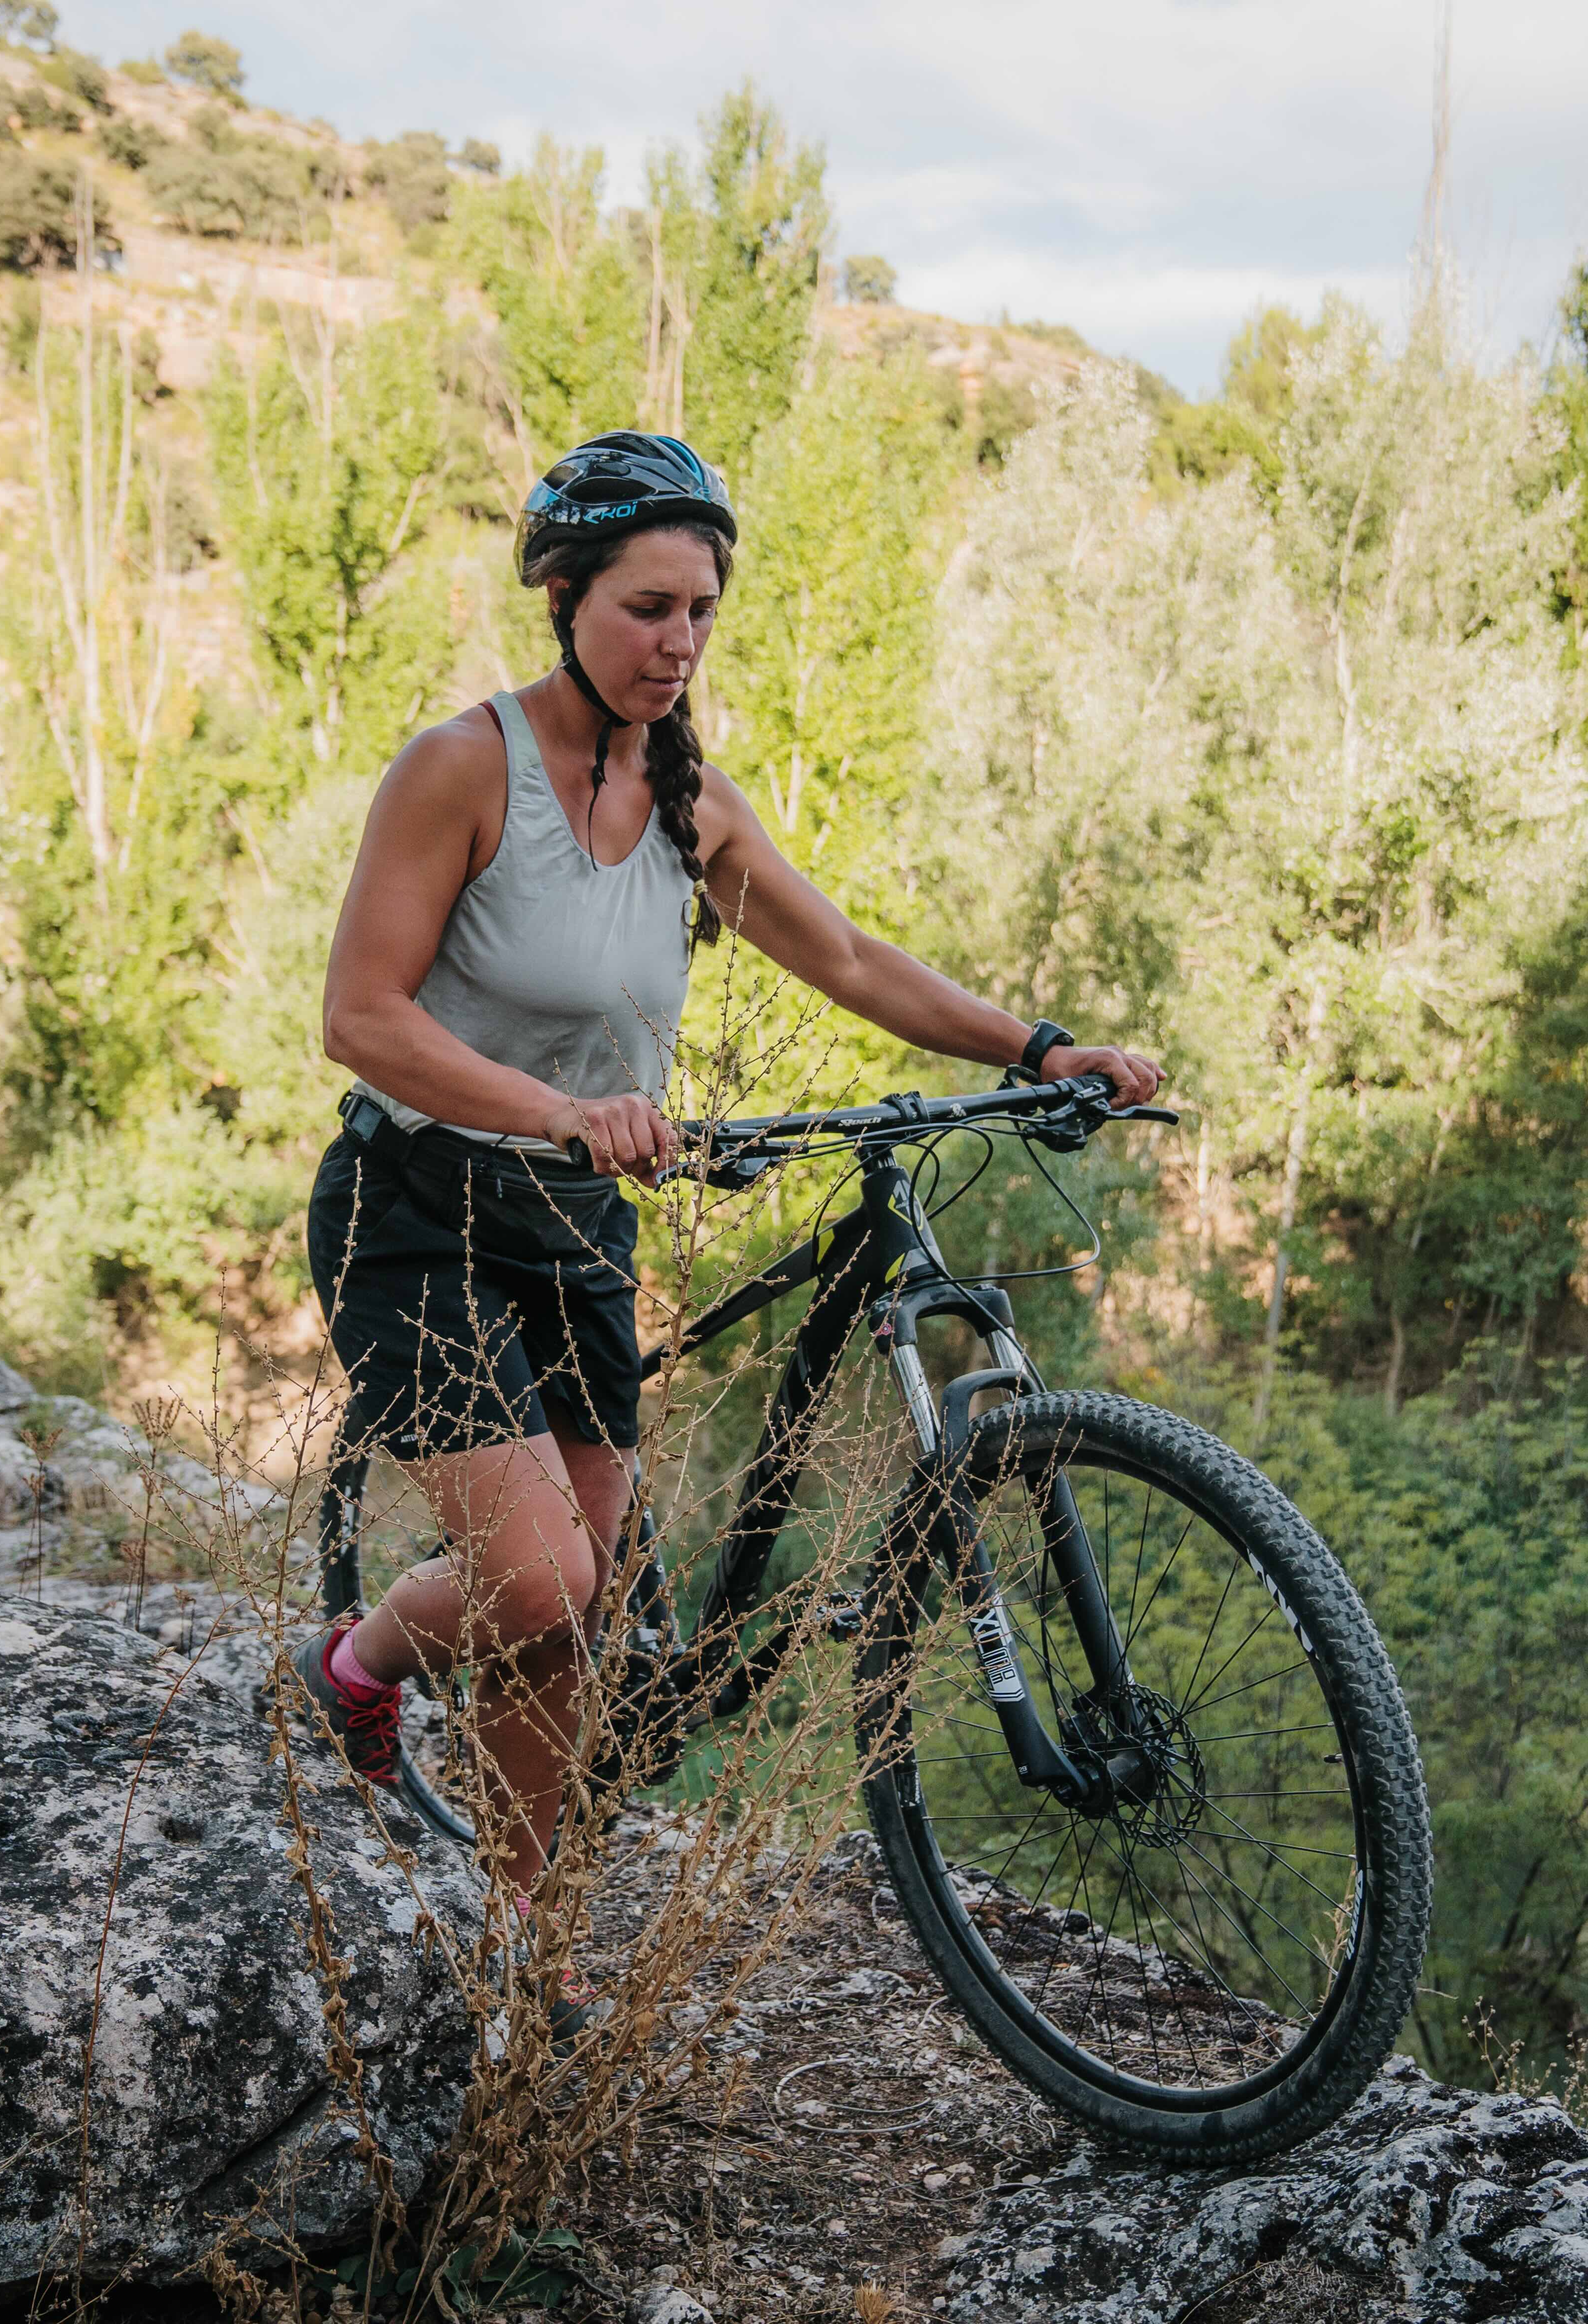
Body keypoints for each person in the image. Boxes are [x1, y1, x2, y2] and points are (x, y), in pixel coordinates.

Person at [293, 429, 1163, 1966]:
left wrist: (1040, 1046)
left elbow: (851, 963)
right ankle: (356, 1669)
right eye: (645, 608)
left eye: (699, 610)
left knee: (576, 1608)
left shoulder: (693, 804)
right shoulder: (461, 770)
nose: (677, 642)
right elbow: (363, 1018)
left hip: (575, 1230)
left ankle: (521, 1934)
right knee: (544, 1573)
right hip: (416, 1208)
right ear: (563, 597)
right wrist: (567, 1109)